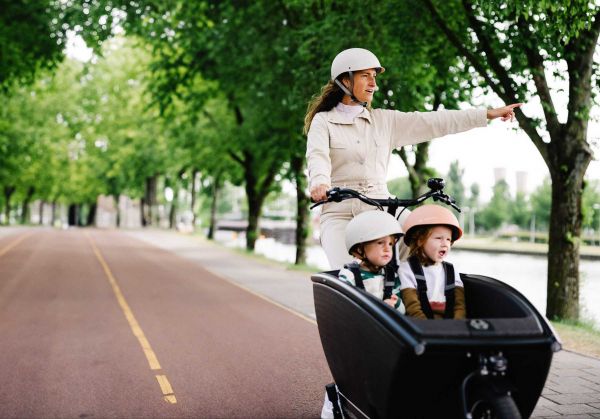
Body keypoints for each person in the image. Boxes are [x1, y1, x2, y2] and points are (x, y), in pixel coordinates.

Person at [304, 47, 521, 269]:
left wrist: (486, 114)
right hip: (340, 210)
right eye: (365, 76)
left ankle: (424, 297)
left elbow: (435, 121)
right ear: (345, 81)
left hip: (382, 205)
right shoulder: (323, 122)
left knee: (423, 242)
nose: (374, 84)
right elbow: (317, 156)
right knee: (347, 272)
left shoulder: (385, 121)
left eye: (374, 76)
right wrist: (320, 183)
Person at [398, 204, 466, 319]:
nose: (445, 243)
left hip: (451, 327)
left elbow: (459, 307)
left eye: (448, 239)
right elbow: (412, 308)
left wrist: (457, 326)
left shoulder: (451, 270)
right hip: (423, 328)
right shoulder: (406, 269)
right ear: (420, 241)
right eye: (439, 238)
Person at [338, 210, 403, 308]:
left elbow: (403, 312)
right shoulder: (349, 275)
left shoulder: (391, 276)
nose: (387, 249)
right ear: (360, 249)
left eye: (390, 244)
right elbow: (343, 307)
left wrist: (396, 303)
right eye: (380, 243)